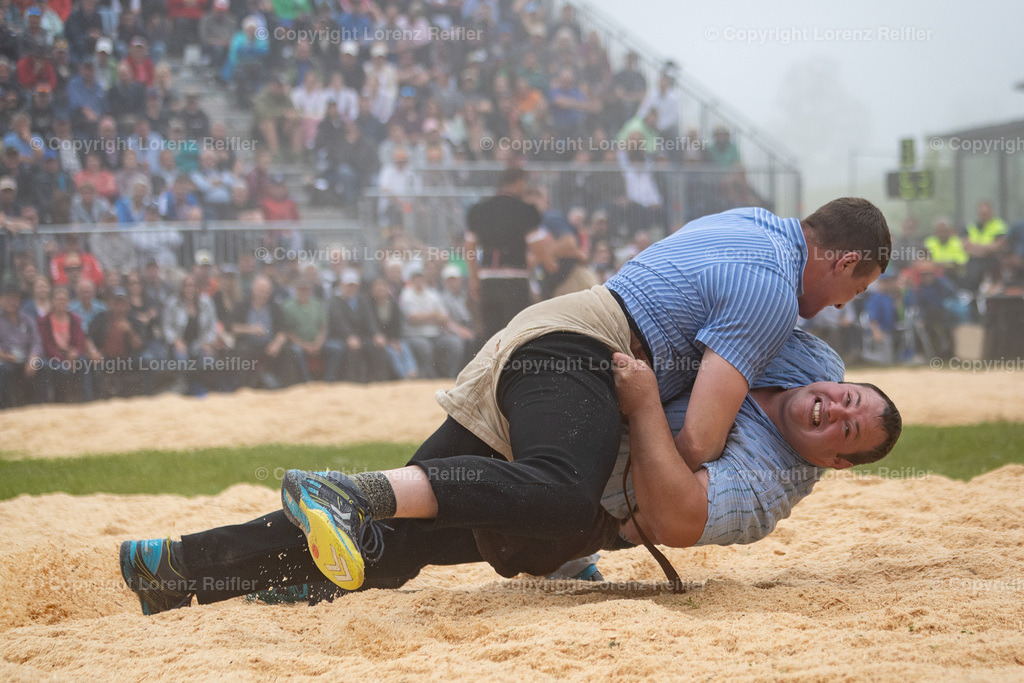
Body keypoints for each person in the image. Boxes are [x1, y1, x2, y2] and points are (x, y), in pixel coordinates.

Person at [120, 197, 890, 605]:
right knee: (559, 492)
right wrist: (660, 420)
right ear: (847, 259)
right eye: (856, 288)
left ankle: (180, 565)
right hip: (583, 352)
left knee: (394, 545)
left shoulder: (752, 224)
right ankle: (343, 489)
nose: (843, 308)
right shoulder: (770, 292)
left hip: (560, 338)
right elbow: (696, 443)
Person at [118, 329, 901, 612]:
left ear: (835, 461)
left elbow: (674, 517)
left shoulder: (768, 491)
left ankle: (184, 569)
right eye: (847, 397)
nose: (836, 408)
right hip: (557, 422)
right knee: (391, 529)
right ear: (836, 379)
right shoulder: (793, 350)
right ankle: (193, 563)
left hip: (575, 486)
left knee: (394, 548)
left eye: (848, 428)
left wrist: (637, 408)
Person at [465, 167, 554, 340]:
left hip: (488, 281)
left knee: (491, 338)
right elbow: (537, 247)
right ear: (519, 182)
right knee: (515, 337)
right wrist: (551, 266)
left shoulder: (479, 210)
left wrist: (474, 278)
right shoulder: (525, 211)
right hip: (515, 281)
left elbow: (469, 248)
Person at [325, 269, 390, 384]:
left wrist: (376, 334)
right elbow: (339, 322)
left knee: (377, 346)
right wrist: (349, 336)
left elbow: (370, 320)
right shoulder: (335, 301)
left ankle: (379, 382)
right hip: (340, 337)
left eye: (353, 286)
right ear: (341, 285)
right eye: (348, 286)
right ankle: (353, 382)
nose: (351, 289)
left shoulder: (362, 300)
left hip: (359, 337)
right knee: (352, 349)